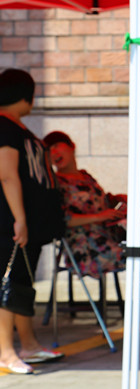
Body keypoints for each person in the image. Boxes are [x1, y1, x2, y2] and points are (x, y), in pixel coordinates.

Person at [44, 131, 140, 348]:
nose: (54, 153)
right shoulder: (56, 183)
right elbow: (63, 219)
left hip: (111, 239)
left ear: (71, 147)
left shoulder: (85, 176)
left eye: (57, 146)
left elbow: (96, 202)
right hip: (89, 249)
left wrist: (115, 199)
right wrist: (100, 216)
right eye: (49, 150)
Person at [0, 69, 65, 375]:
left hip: (29, 225)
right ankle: (5, 352)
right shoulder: (4, 127)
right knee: (8, 285)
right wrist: (20, 219)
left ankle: (28, 344)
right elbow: (6, 174)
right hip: (11, 223)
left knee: (22, 285)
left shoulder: (17, 127)